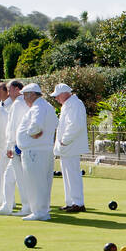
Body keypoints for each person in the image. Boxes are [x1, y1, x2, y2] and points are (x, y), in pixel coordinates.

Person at [15, 83, 57, 221]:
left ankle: (39, 212)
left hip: (35, 151)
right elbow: (55, 122)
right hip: (43, 149)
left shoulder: (38, 107)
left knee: (35, 182)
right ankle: (43, 210)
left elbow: (36, 125)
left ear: (32, 94)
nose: (24, 99)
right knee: (43, 182)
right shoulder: (47, 106)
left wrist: (31, 132)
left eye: (25, 96)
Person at [52, 83, 88, 212]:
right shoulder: (67, 105)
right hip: (66, 146)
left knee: (72, 174)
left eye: (57, 96)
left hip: (71, 145)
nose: (56, 99)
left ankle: (78, 203)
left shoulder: (75, 104)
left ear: (64, 94)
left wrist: (65, 140)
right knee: (67, 174)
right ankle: (71, 201)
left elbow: (75, 125)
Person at [0, 80, 29, 216]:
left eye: (9, 90)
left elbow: (14, 127)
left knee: (20, 179)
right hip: (17, 146)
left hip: (18, 147)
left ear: (17, 89)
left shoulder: (18, 104)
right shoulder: (22, 103)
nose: (8, 93)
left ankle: (26, 207)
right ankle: (7, 206)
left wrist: (11, 145)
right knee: (8, 177)